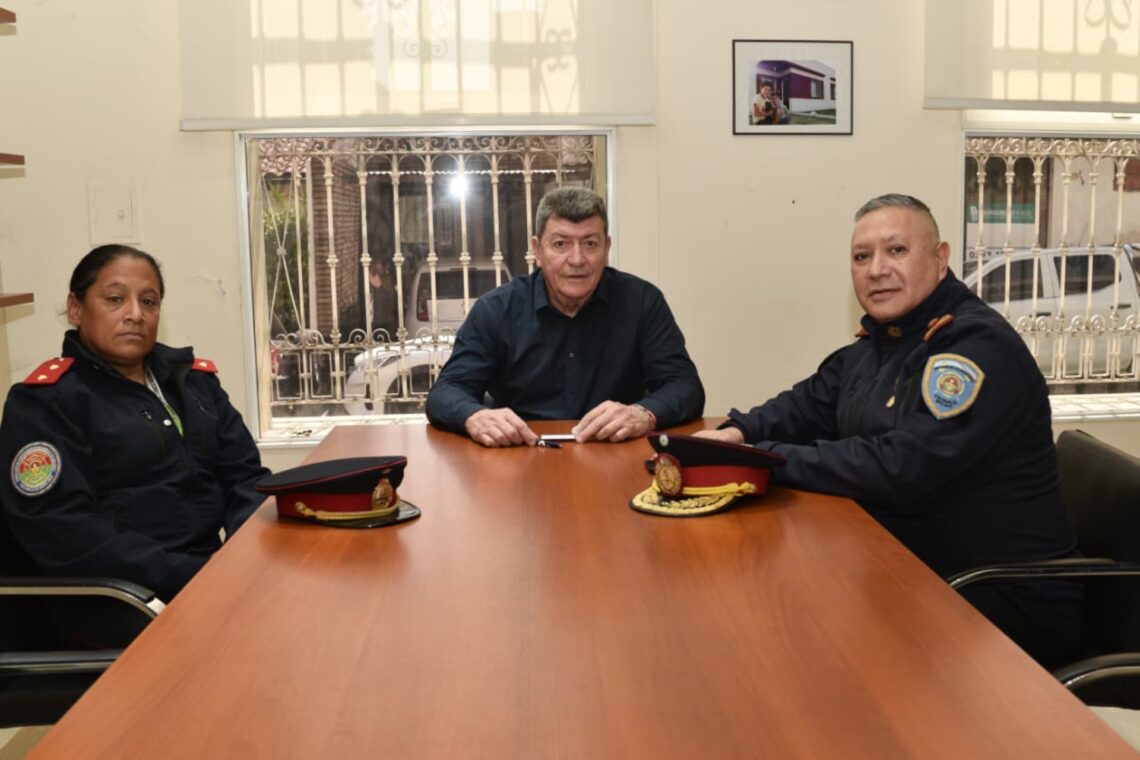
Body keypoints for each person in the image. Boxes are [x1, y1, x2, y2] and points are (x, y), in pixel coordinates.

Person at [696, 194, 1085, 666]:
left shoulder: (974, 349)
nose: (876, 269)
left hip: (1000, 600)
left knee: (803, 647)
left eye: (896, 251)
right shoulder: (882, 341)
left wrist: (764, 461)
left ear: (940, 258)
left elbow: (900, 466)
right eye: (862, 257)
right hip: (913, 568)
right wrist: (737, 433)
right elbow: (807, 404)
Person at [0, 245, 270, 622]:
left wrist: (245, 557)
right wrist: (191, 576)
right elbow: (63, 528)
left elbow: (246, 478)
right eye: (115, 299)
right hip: (121, 600)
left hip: (211, 580)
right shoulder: (46, 402)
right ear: (76, 309)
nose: (135, 314)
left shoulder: (194, 383)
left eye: (149, 302)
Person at [425, 187, 704, 447]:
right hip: (521, 454)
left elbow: (685, 386)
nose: (577, 259)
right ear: (537, 250)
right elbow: (446, 392)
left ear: (606, 248)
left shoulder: (642, 301)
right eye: (561, 244)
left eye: (590, 244)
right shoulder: (497, 310)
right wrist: (475, 416)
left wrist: (643, 414)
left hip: (617, 453)